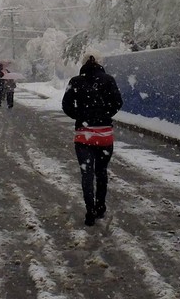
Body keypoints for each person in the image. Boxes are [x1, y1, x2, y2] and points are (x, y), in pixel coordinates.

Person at [61, 51, 123, 227]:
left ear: (83, 63)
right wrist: (105, 115)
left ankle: (90, 210)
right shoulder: (109, 80)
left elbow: (66, 105)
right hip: (104, 135)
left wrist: (80, 116)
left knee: (86, 173)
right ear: (100, 62)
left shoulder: (75, 81)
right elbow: (118, 102)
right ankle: (100, 206)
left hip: (83, 135)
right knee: (101, 172)